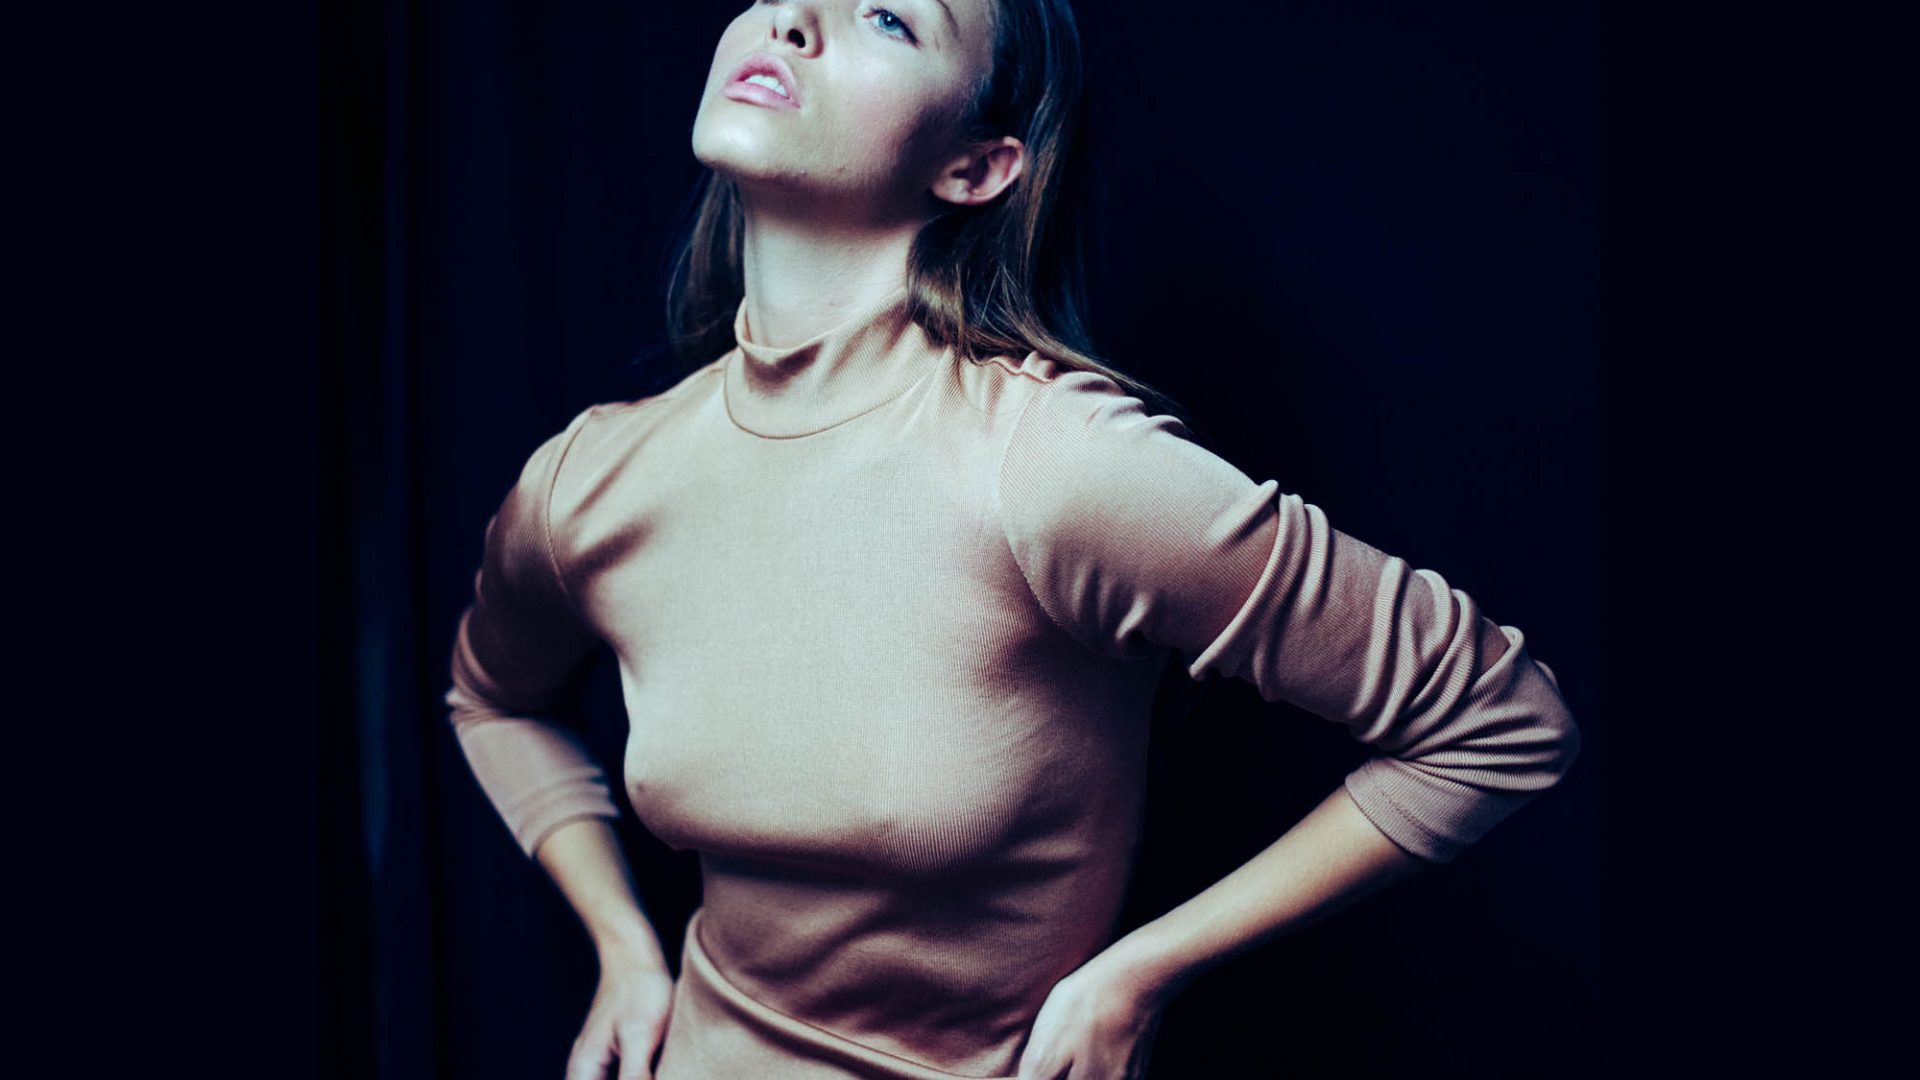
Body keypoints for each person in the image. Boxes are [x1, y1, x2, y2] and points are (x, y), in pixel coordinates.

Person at [442, 1, 1583, 1078]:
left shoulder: (1054, 465)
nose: (792, 20)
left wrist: (1139, 975)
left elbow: (1501, 723)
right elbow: (490, 702)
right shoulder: (597, 477)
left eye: (889, 16)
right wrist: (624, 947)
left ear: (978, 167)